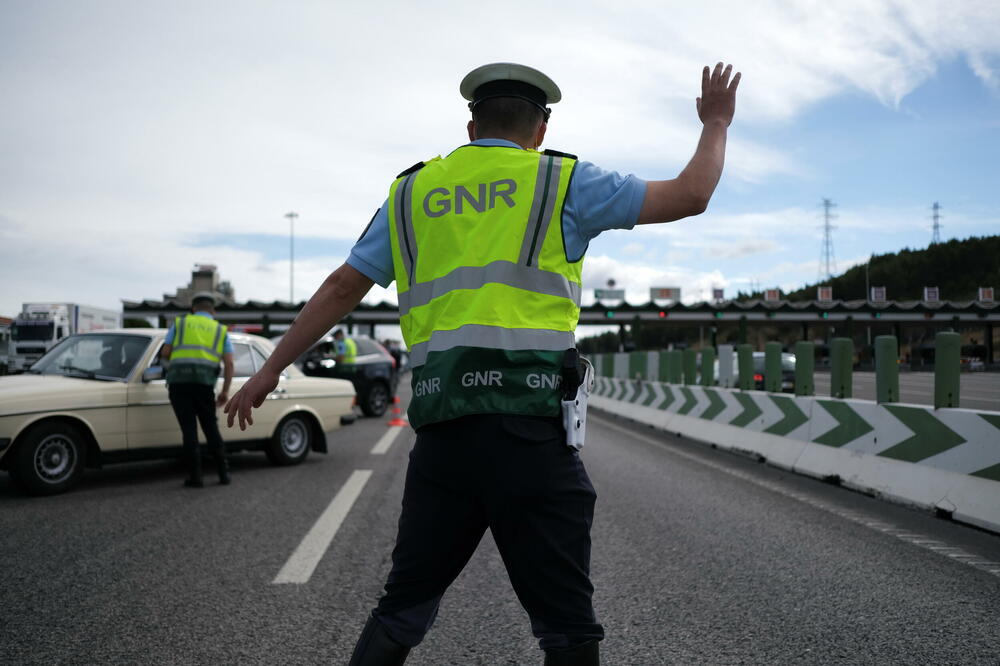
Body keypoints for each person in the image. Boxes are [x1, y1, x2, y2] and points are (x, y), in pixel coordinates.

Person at [225, 61, 739, 664]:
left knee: (403, 607)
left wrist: (269, 370)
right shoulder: (562, 181)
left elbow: (342, 287)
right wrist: (716, 122)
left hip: (445, 436)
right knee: (567, 624)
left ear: (471, 123)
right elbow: (691, 195)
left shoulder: (413, 191)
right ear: (540, 129)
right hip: (532, 432)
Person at [161, 291, 235, 488]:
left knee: (189, 430)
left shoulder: (180, 323)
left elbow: (166, 352)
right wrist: (225, 391)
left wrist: (178, 364)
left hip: (179, 383)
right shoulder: (220, 330)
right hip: (204, 385)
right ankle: (223, 474)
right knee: (211, 427)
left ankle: (196, 477)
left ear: (193, 308)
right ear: (213, 311)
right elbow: (229, 364)